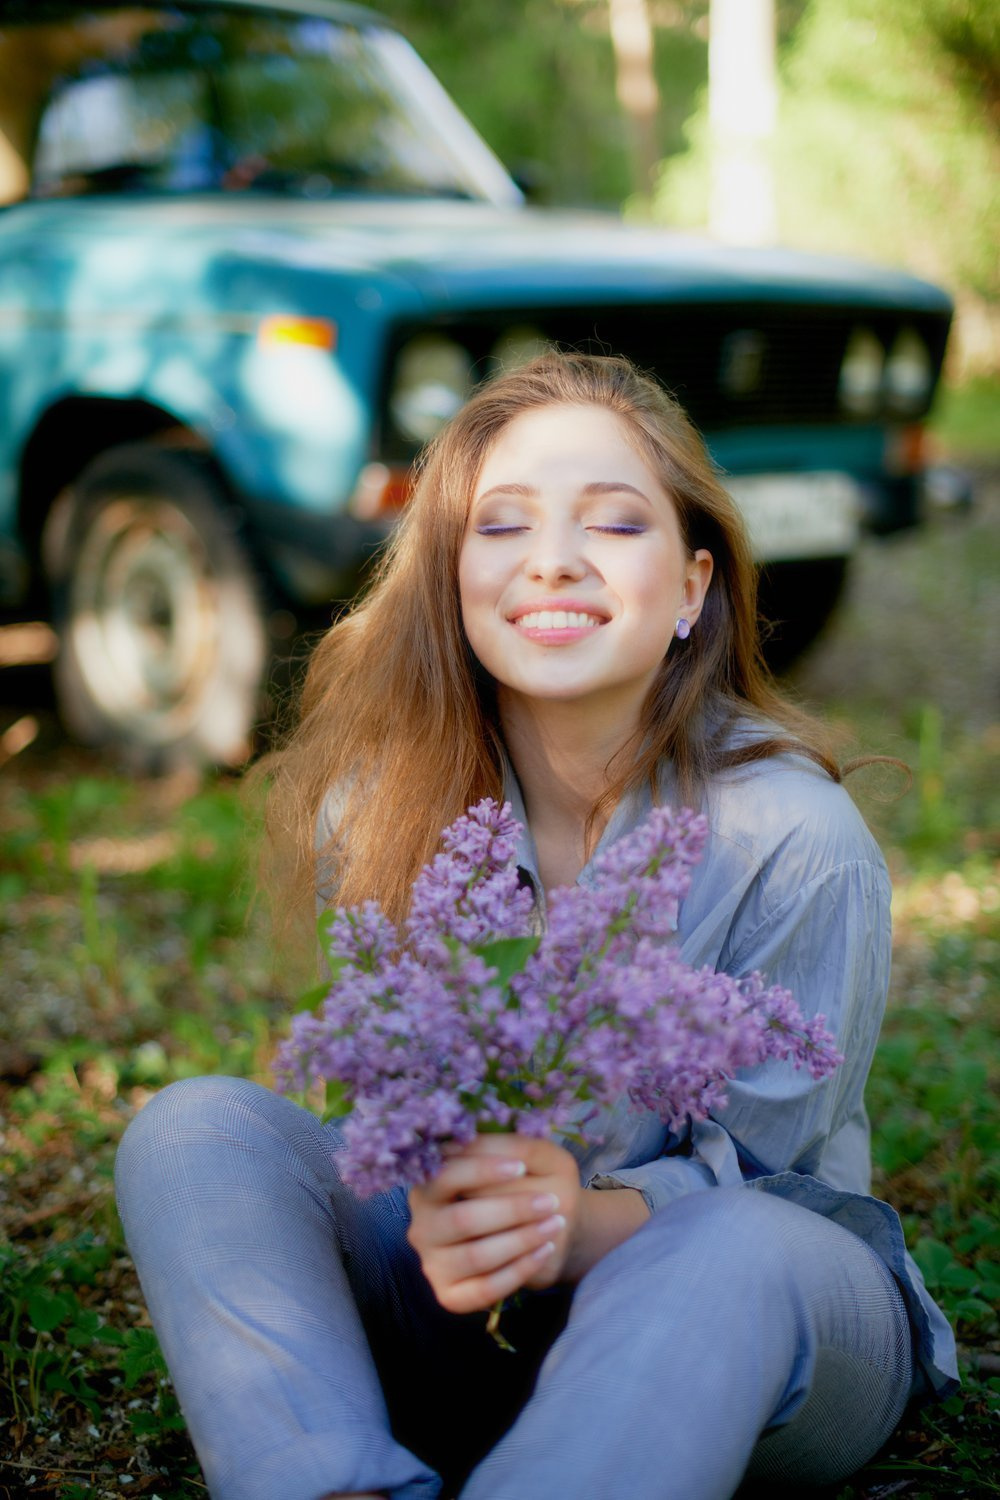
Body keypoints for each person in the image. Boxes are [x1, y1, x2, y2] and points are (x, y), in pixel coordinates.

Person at [115, 352, 958, 1500]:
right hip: (469, 1319)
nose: (552, 557)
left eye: (613, 524)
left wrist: (575, 1223)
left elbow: (773, 1181)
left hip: (760, 1331)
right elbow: (394, 1117)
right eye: (501, 526)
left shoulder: (792, 837)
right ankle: (329, 1483)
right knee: (193, 1130)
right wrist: (460, 1201)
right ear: (453, 582)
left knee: (724, 1247)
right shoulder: (381, 811)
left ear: (693, 587)